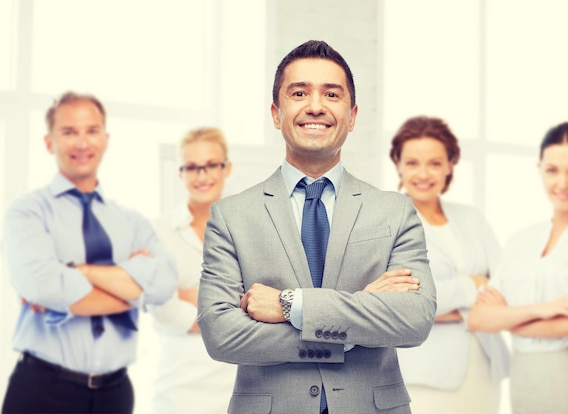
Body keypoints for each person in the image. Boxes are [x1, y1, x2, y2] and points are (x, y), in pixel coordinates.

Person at [197, 40, 437, 414]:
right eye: (298, 92)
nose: (315, 106)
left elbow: (414, 319)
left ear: (352, 115)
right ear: (276, 114)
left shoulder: (395, 211)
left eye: (331, 94)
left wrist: (290, 305)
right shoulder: (230, 216)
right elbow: (221, 335)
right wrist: (354, 323)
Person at [1, 91, 177, 414]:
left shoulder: (131, 221)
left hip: (116, 393)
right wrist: (132, 284)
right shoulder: (27, 212)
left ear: (105, 139)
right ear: (49, 142)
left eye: (91, 131)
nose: (82, 143)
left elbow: (165, 283)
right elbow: (43, 286)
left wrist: (77, 271)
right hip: (43, 390)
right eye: (69, 132)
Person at [468, 121, 568, 414]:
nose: (562, 183)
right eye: (552, 170)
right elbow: (478, 318)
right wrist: (545, 309)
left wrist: (504, 317)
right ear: (539, 169)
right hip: (523, 381)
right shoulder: (520, 240)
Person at [389, 115, 509, 413]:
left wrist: (444, 307)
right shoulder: (388, 221)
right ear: (398, 164)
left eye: (435, 163)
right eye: (413, 162)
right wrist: (474, 286)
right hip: (425, 373)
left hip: (484, 365)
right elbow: (404, 303)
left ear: (450, 165)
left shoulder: (472, 218)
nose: (424, 173)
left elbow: (505, 284)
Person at [149, 127, 237, 414]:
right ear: (180, 173)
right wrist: (227, 306)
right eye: (192, 167)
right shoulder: (158, 232)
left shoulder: (247, 226)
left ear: (227, 168)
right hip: (179, 387)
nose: (202, 176)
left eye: (212, 165)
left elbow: (265, 302)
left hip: (238, 383)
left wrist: (189, 296)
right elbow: (162, 308)